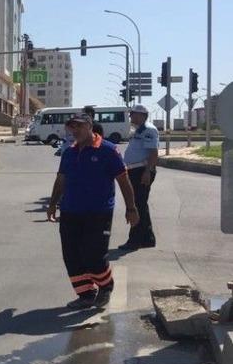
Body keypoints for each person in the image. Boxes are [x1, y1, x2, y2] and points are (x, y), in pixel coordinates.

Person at [46, 113, 139, 309]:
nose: (75, 130)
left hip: (98, 212)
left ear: (89, 126)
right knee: (71, 255)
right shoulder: (69, 153)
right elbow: (61, 179)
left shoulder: (108, 150)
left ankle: (106, 286)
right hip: (70, 211)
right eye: (72, 127)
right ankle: (86, 294)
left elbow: (123, 180)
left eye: (79, 126)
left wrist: (131, 208)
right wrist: (53, 204)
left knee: (94, 255)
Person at [119, 104, 159, 251]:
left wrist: (148, 171)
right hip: (135, 170)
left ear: (142, 115)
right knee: (141, 205)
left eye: (133, 114)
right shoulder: (139, 130)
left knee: (136, 206)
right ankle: (148, 238)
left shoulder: (148, 130)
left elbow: (153, 153)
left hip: (142, 171)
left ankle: (134, 240)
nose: (130, 117)